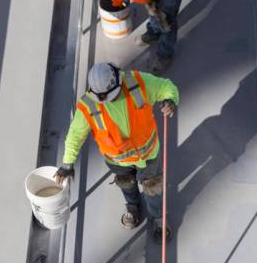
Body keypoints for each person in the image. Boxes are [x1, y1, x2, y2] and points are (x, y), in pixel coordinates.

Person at [55, 62, 178, 241]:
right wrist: (67, 163)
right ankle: (133, 207)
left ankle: (158, 217)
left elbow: (166, 86)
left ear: (119, 82)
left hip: (149, 155)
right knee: (126, 184)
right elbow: (75, 134)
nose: (109, 100)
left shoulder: (138, 82)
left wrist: (170, 100)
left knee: (152, 187)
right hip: (118, 162)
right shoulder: (88, 106)